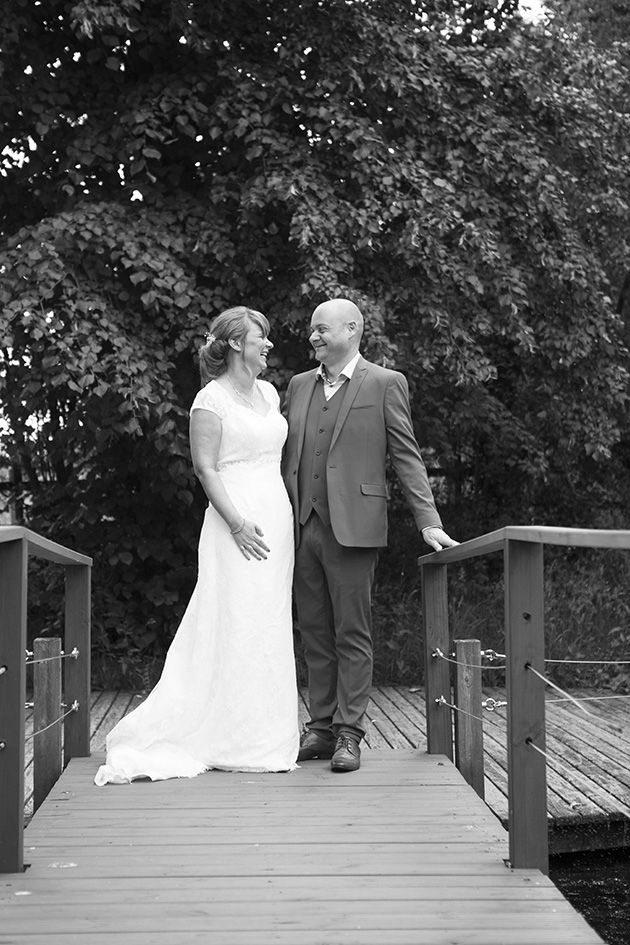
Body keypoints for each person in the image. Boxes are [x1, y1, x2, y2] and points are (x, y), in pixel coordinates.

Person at [95, 306, 300, 785]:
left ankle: (264, 738)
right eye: (260, 337)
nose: (268, 345)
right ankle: (222, 735)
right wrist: (236, 523)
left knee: (267, 623)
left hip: (275, 518)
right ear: (234, 344)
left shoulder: (269, 392)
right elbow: (206, 468)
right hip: (235, 524)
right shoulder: (210, 401)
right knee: (234, 618)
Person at [282, 298, 457, 773]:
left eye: (322, 329)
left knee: (351, 633)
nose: (313, 336)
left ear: (353, 329)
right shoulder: (298, 386)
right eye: (312, 330)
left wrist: (429, 521)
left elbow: (406, 456)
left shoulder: (384, 383)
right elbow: (283, 457)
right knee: (313, 633)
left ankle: (349, 733)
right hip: (300, 528)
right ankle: (319, 728)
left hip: (355, 528)